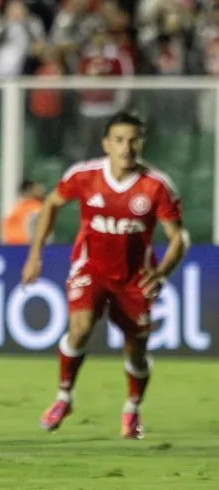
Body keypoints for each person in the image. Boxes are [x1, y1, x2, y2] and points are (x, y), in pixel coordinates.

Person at [22, 110, 187, 440]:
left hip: (134, 278)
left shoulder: (156, 186)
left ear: (142, 142)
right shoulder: (84, 176)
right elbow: (51, 204)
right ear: (106, 144)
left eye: (133, 140)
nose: (126, 148)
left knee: (136, 351)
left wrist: (162, 273)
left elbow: (178, 238)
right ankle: (63, 397)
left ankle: (132, 408)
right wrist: (35, 254)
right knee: (80, 328)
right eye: (119, 140)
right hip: (90, 268)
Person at [0, 179, 46, 245]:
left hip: (14, 245)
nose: (41, 191)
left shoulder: (19, 207)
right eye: (37, 189)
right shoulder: (34, 207)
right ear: (28, 191)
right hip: (24, 245)